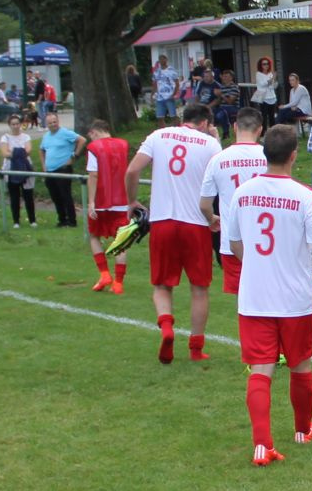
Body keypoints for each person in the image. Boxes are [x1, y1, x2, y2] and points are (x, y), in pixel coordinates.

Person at [226, 123, 312, 466]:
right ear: (294, 156)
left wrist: (257, 266)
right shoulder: (304, 195)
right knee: (300, 364)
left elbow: (234, 243)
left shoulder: (242, 193)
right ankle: (303, 429)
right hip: (294, 299)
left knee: (260, 369)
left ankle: (262, 445)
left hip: (254, 297)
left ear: (265, 153)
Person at [125, 105, 223, 364]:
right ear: (205, 123)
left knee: (161, 285)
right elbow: (221, 175)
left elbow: (132, 170)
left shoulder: (158, 135)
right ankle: (196, 348)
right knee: (199, 288)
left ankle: (167, 326)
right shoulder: (210, 144)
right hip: (196, 223)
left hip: (163, 221)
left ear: (184, 119)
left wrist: (132, 200)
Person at [200, 108, 273, 300]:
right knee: (268, 297)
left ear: (234, 127)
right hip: (266, 240)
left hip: (232, 242)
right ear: (260, 129)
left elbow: (204, 204)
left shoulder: (218, 160)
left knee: (243, 300)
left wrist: (211, 219)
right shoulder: (269, 157)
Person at [79, 119, 133, 293]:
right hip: (121, 200)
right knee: (120, 241)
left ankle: (104, 274)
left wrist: (91, 201)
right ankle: (118, 282)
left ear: (94, 132)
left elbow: (93, 174)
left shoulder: (94, 148)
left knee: (94, 235)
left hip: (102, 200)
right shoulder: (123, 145)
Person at [36, 110, 85, 228]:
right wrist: (44, 166)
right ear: (46, 124)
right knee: (55, 196)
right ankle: (62, 219)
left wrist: (74, 156)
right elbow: (41, 150)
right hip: (50, 170)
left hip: (63, 168)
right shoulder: (46, 136)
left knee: (65, 195)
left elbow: (82, 140)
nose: (53, 124)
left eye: (55, 122)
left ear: (58, 121)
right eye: (50, 123)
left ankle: (72, 221)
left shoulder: (65, 133)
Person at [251, 56, 279, 128]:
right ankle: (263, 132)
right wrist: (271, 80)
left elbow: (272, 86)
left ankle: (273, 131)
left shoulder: (270, 74)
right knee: (264, 116)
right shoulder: (258, 74)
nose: (266, 65)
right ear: (260, 65)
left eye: (267, 64)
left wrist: (274, 82)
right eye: (264, 64)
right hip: (264, 97)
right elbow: (262, 84)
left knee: (272, 116)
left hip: (272, 97)